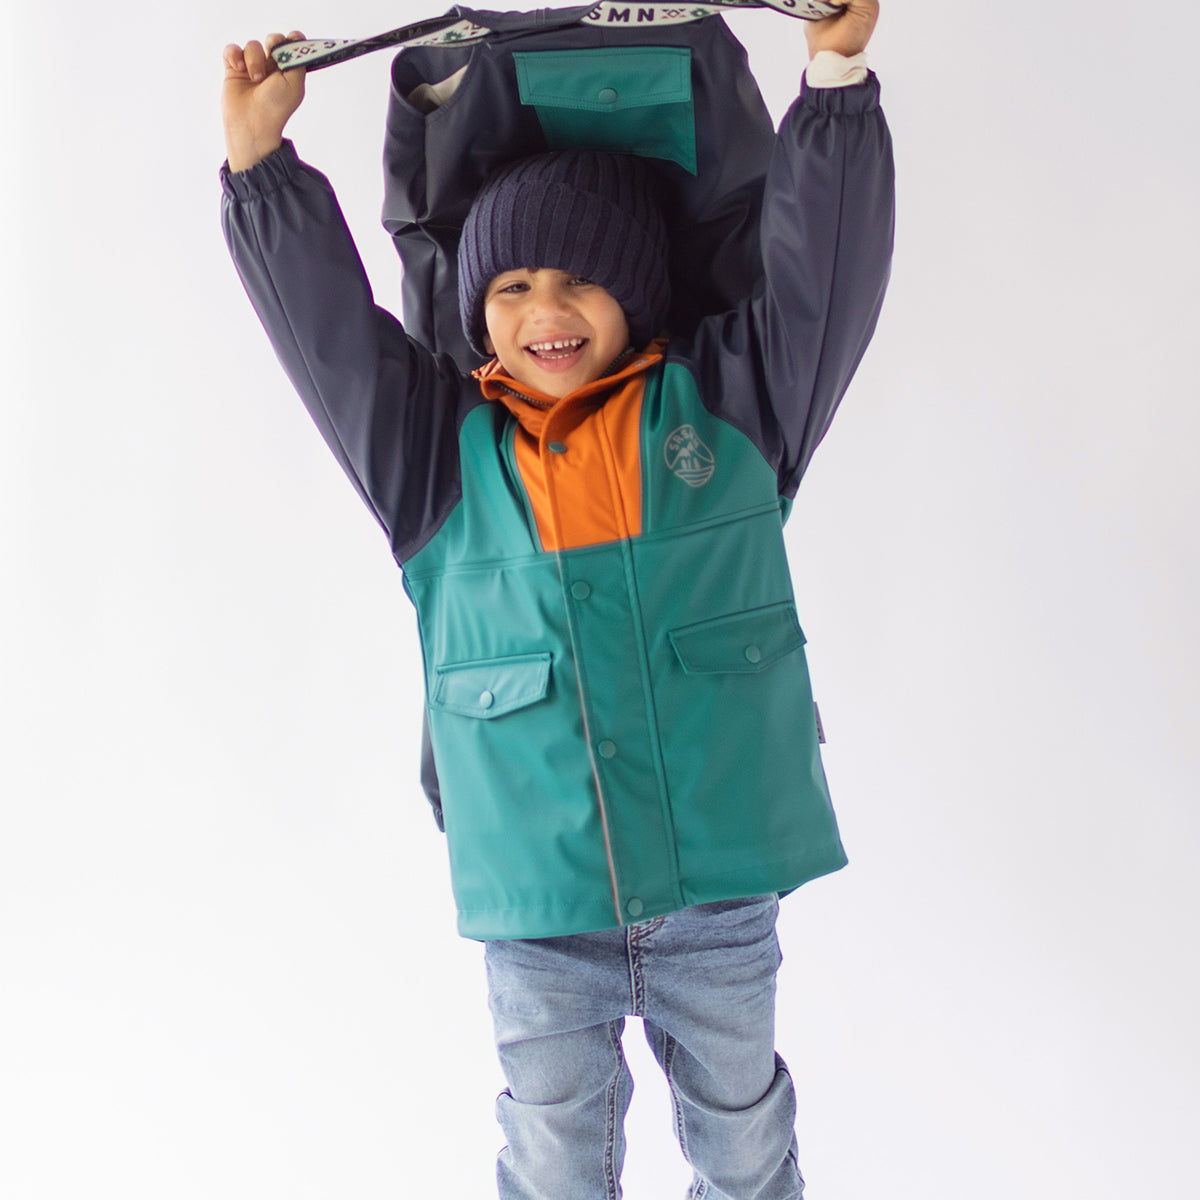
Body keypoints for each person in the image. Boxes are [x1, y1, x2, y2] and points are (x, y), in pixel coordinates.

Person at [220, 2, 892, 1196]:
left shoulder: (731, 417)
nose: (545, 311)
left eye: (580, 280)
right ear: (478, 308)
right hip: (542, 911)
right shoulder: (436, 461)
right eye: (515, 284)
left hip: (720, 898)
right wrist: (262, 169)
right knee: (555, 1156)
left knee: (745, 1140)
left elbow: (819, 283)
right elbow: (330, 341)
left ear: (639, 293)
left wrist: (833, 81)